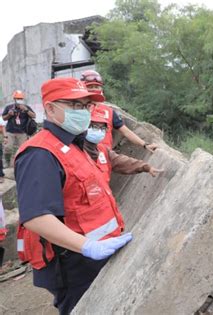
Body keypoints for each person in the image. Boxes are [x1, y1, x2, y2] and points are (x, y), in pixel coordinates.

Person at [14, 78, 132, 314]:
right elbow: (37, 217)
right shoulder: (40, 154)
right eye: (74, 105)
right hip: (74, 263)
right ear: (50, 108)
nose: (83, 112)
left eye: (86, 105)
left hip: (95, 256)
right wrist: (87, 246)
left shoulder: (77, 143)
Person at [80, 70, 159, 152]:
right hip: (82, 156)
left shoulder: (109, 112)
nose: (94, 89)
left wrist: (144, 144)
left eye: (96, 87)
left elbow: (126, 132)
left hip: (105, 156)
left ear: (101, 89)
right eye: (90, 87)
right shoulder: (76, 109)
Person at [84, 113, 162, 183]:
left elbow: (122, 161)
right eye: (95, 127)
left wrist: (145, 167)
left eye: (103, 129)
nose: (99, 132)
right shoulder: (75, 150)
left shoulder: (103, 150)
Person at [2, 90, 36, 167]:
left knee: (22, 149)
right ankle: (7, 163)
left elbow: (34, 115)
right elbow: (4, 118)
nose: (19, 100)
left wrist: (26, 110)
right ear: (14, 99)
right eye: (17, 98)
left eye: (20, 98)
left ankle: (20, 164)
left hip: (22, 132)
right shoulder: (9, 107)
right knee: (8, 148)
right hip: (10, 132)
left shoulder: (26, 107)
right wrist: (9, 114)